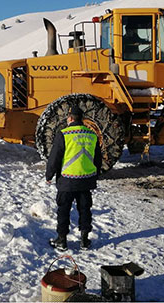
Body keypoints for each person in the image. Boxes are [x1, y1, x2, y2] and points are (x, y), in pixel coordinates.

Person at [46, 106, 102, 251]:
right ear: (81, 119)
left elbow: (55, 158)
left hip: (67, 180)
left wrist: (49, 175)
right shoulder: (92, 135)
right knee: (85, 209)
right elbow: (97, 159)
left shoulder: (64, 134)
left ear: (70, 118)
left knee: (64, 210)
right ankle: (84, 240)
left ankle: (62, 240)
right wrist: (95, 175)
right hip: (86, 180)